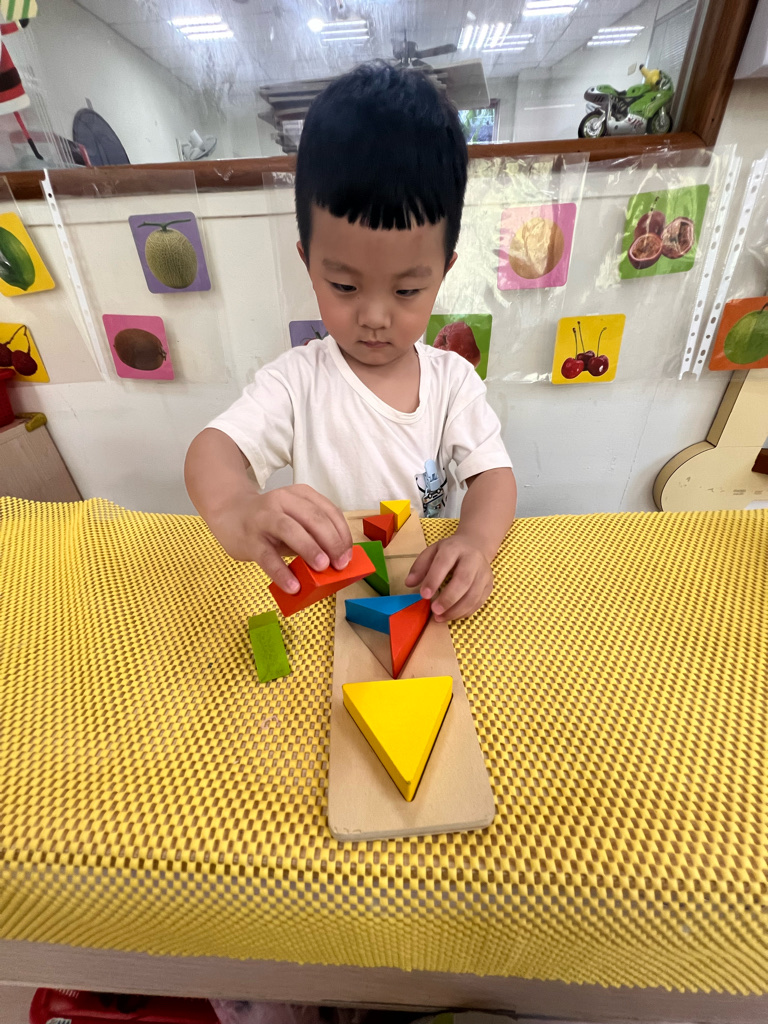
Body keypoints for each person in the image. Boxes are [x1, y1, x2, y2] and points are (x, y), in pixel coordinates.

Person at [185, 61, 517, 622]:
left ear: (443, 272)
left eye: (407, 290)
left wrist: (475, 543)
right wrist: (237, 506)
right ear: (308, 263)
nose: (375, 317)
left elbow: (493, 477)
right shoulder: (297, 381)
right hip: (325, 605)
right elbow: (212, 451)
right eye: (344, 286)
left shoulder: (452, 382)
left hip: (417, 598)